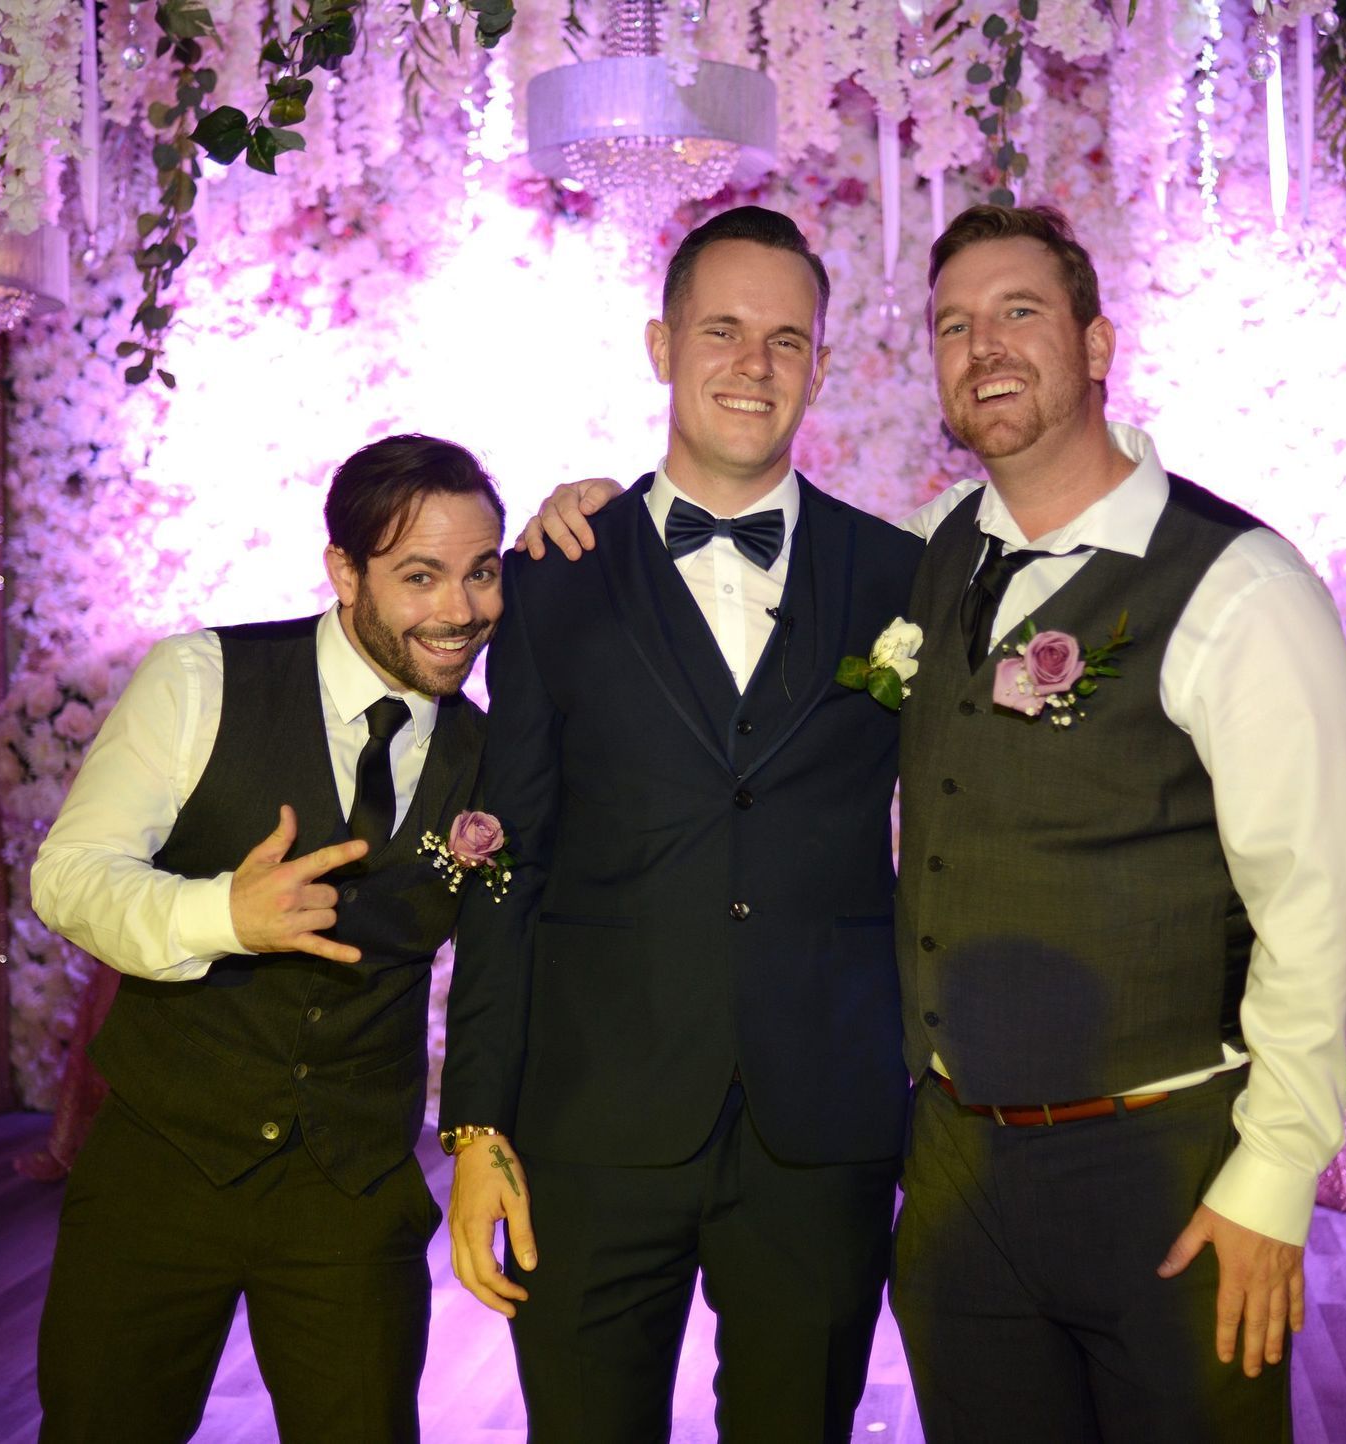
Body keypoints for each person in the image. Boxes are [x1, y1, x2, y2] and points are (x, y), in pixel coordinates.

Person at [522, 203, 1346, 1441]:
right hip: (955, 1169)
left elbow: (1318, 909)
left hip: (1165, 1164)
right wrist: (605, 514)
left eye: (1021, 311)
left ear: (1098, 342)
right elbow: (738, 551)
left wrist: (1277, 1175)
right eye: (953, 324)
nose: (986, 347)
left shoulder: (1240, 586)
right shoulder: (914, 562)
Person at [439, 205, 922, 1444]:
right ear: (661, 344)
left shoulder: (901, 575)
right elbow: (510, 855)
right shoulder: (550, 571)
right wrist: (478, 1122)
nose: (751, 365)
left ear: (821, 363)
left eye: (784, 339)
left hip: (822, 1131)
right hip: (592, 1126)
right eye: (721, 329)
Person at [29, 434, 506, 1444]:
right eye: (421, 577)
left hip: (354, 1194)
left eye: (480, 571)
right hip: (161, 1171)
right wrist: (224, 917)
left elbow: (509, 971)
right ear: (344, 570)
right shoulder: (200, 677)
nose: (460, 611)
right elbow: (68, 876)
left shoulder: (487, 754)